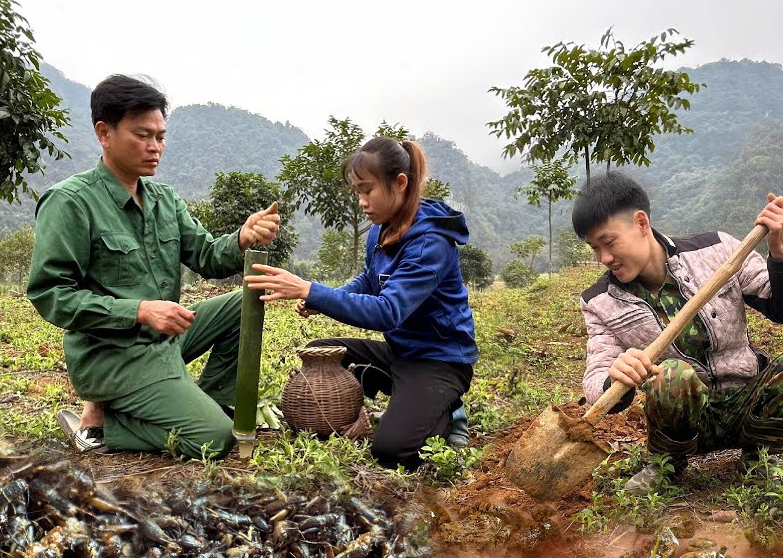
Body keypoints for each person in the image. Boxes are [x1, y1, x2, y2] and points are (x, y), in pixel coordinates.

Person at [27, 75, 279, 459]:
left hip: (166, 342)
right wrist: (140, 311)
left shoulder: (165, 200)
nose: (155, 147)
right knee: (216, 440)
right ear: (104, 133)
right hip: (113, 357)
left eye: (160, 136)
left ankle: (201, 405)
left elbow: (208, 257)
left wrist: (242, 236)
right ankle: (100, 426)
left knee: (244, 301)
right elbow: (52, 295)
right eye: (143, 135)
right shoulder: (71, 203)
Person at [575, 171, 783, 495]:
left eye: (608, 242)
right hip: (683, 423)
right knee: (670, 374)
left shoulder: (717, 251)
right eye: (595, 248)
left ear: (640, 223)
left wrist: (780, 253)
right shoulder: (600, 301)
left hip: (746, 405)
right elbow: (596, 376)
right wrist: (615, 376)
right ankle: (668, 466)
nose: (604, 258)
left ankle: (759, 458)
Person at [244, 136, 477, 470]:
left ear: (399, 183)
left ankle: (447, 408)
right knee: (322, 354)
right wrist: (322, 299)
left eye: (368, 190)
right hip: (400, 354)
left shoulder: (430, 242)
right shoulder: (381, 229)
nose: (362, 201)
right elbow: (369, 280)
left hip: (438, 361)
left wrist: (311, 290)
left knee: (391, 451)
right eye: (357, 192)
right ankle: (409, 400)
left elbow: (387, 311)